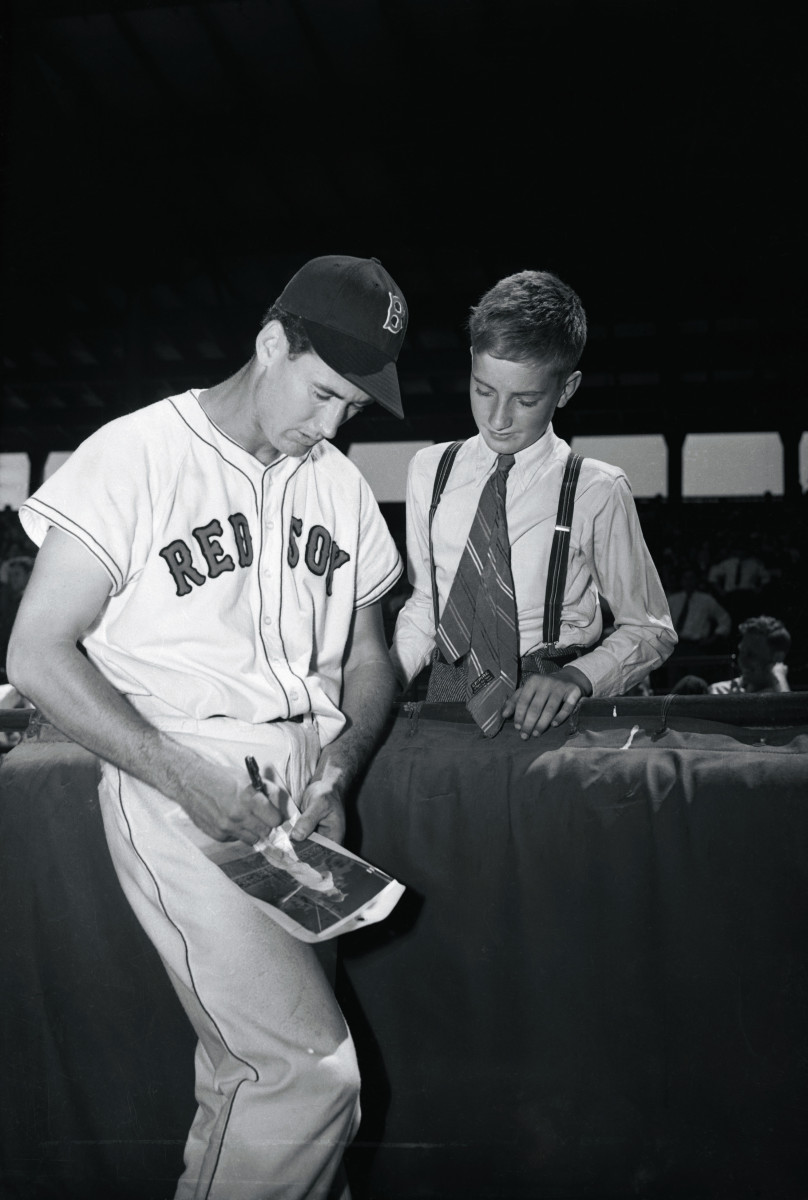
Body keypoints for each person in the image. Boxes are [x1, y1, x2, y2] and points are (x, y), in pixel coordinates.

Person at [7, 254, 409, 1200]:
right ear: (272, 343)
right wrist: (187, 783)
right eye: (321, 394)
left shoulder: (337, 484)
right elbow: (36, 654)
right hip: (181, 774)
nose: (331, 425)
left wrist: (339, 771)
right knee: (304, 1080)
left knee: (261, 1081)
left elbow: (370, 659)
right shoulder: (137, 452)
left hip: (302, 798)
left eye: (351, 407)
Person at [391, 269, 676, 737]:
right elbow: (427, 604)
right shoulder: (429, 470)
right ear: (470, 364)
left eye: (524, 400)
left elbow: (651, 629)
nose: (498, 419)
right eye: (483, 390)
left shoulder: (596, 489)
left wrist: (578, 677)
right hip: (444, 700)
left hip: (544, 716)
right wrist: (386, 678)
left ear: (566, 389)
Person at [708, 614, 792, 694]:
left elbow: (789, 708)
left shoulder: (781, 700)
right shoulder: (719, 692)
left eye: (751, 655)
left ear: (777, 658)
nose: (742, 661)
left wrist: (780, 678)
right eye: (741, 652)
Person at [667, 566, 731, 649]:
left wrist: (714, 638)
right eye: (685, 578)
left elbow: (725, 619)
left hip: (698, 644)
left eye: (691, 578)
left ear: (696, 580)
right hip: (675, 645)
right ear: (681, 581)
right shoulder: (672, 600)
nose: (688, 582)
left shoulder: (707, 600)